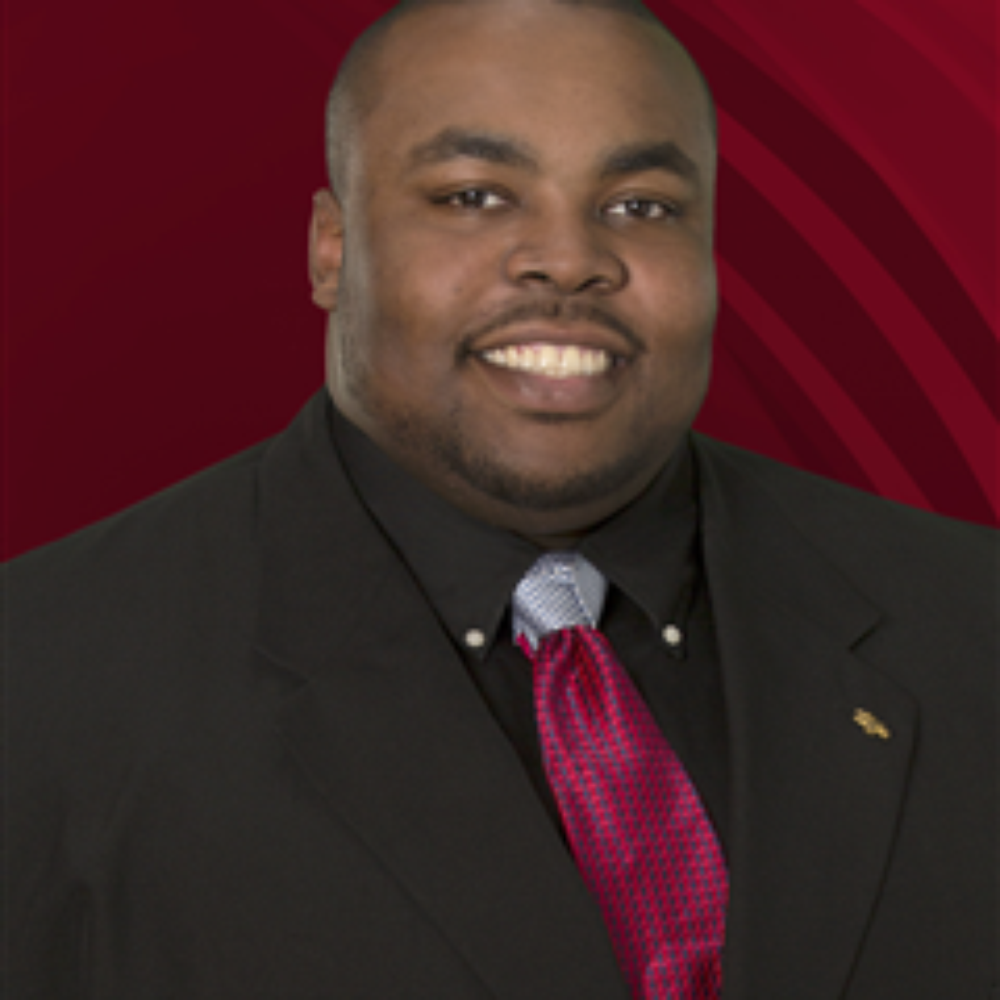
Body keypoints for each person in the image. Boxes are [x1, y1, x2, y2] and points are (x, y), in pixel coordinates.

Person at [5, 1, 995, 997]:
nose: (568, 259)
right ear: (331, 249)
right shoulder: (39, 684)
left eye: (640, 205)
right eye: (474, 195)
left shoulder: (973, 617)